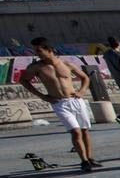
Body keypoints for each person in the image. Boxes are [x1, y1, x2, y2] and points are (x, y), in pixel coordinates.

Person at [21, 38, 99, 171]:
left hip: (75, 100)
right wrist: (42, 96)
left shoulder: (66, 64)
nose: (37, 54)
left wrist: (81, 91)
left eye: (39, 50)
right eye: (35, 51)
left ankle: (90, 158)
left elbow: (85, 77)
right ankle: (84, 161)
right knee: (75, 131)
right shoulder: (36, 67)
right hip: (59, 103)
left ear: (49, 49)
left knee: (84, 130)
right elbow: (23, 80)